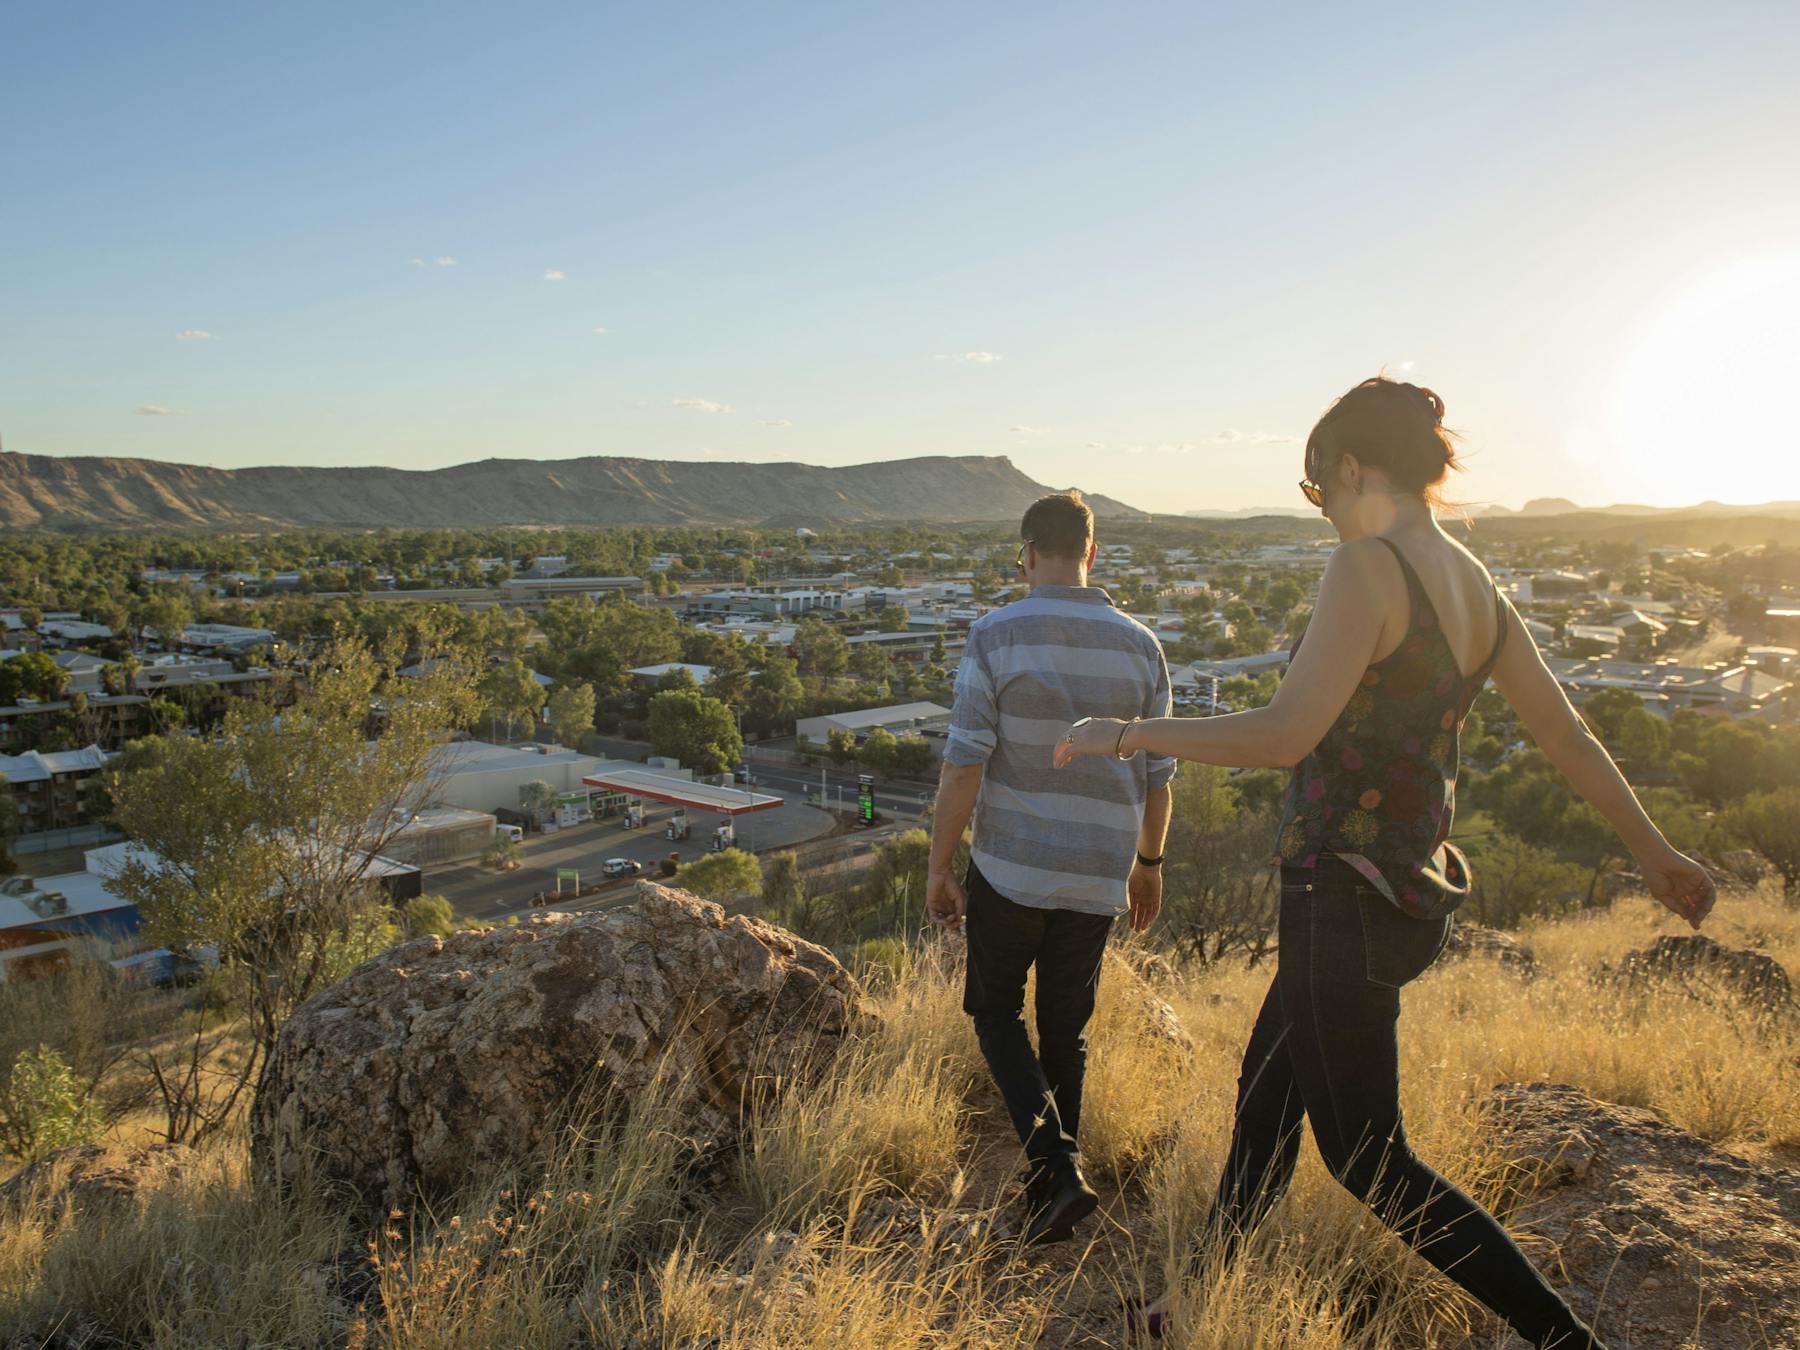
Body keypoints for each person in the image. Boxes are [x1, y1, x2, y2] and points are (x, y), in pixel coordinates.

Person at [1057, 378, 1715, 1347]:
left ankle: (1567, 1340)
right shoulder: (1477, 589)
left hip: (1337, 895)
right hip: (1407, 893)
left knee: (1370, 1160)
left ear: (1354, 471)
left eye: (1323, 491)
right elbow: (1567, 735)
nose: (1324, 515)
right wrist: (1652, 853)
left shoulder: (1365, 571)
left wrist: (1124, 732)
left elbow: (1284, 735)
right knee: (1266, 1099)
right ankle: (1185, 1307)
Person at [927, 490, 1177, 1246]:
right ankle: (1051, 1196)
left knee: (995, 1013)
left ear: (1029, 554)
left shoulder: (995, 635)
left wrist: (941, 863)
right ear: (1092, 554)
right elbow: (1160, 773)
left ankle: (1058, 1169)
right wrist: (1149, 865)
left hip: (1009, 869)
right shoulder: (1141, 646)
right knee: (1065, 1032)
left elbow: (965, 761)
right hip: (1100, 873)